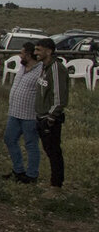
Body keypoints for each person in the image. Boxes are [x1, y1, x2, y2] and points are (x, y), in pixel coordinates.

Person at [4, 42, 44, 184]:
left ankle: (32, 174)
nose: (20, 55)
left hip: (30, 115)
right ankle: (18, 170)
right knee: (9, 139)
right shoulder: (22, 67)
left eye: (22, 53)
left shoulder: (41, 70)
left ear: (29, 54)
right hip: (14, 112)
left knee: (31, 144)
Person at [34, 38, 69, 192]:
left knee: (54, 152)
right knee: (49, 150)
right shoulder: (44, 67)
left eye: (39, 50)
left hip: (50, 118)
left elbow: (59, 97)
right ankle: (53, 183)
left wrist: (51, 117)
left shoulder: (56, 68)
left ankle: (56, 186)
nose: (35, 53)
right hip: (41, 116)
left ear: (49, 51)